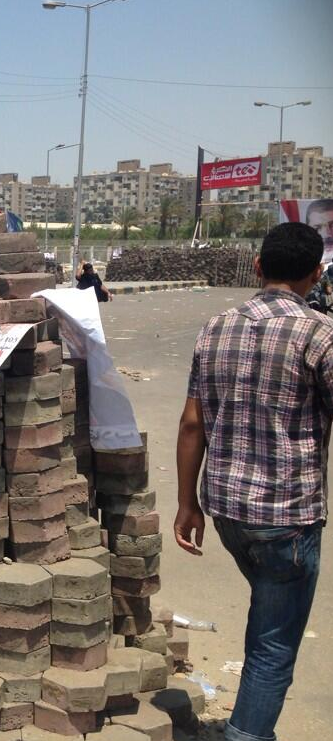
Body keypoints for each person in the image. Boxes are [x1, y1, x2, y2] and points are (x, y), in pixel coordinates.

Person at [175, 222, 331, 741]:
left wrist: (186, 504)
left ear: (258, 267)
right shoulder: (319, 334)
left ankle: (245, 722)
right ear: (316, 273)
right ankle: (247, 734)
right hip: (287, 519)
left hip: (227, 510)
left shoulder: (215, 328)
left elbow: (192, 422)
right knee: (273, 643)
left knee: (268, 613)